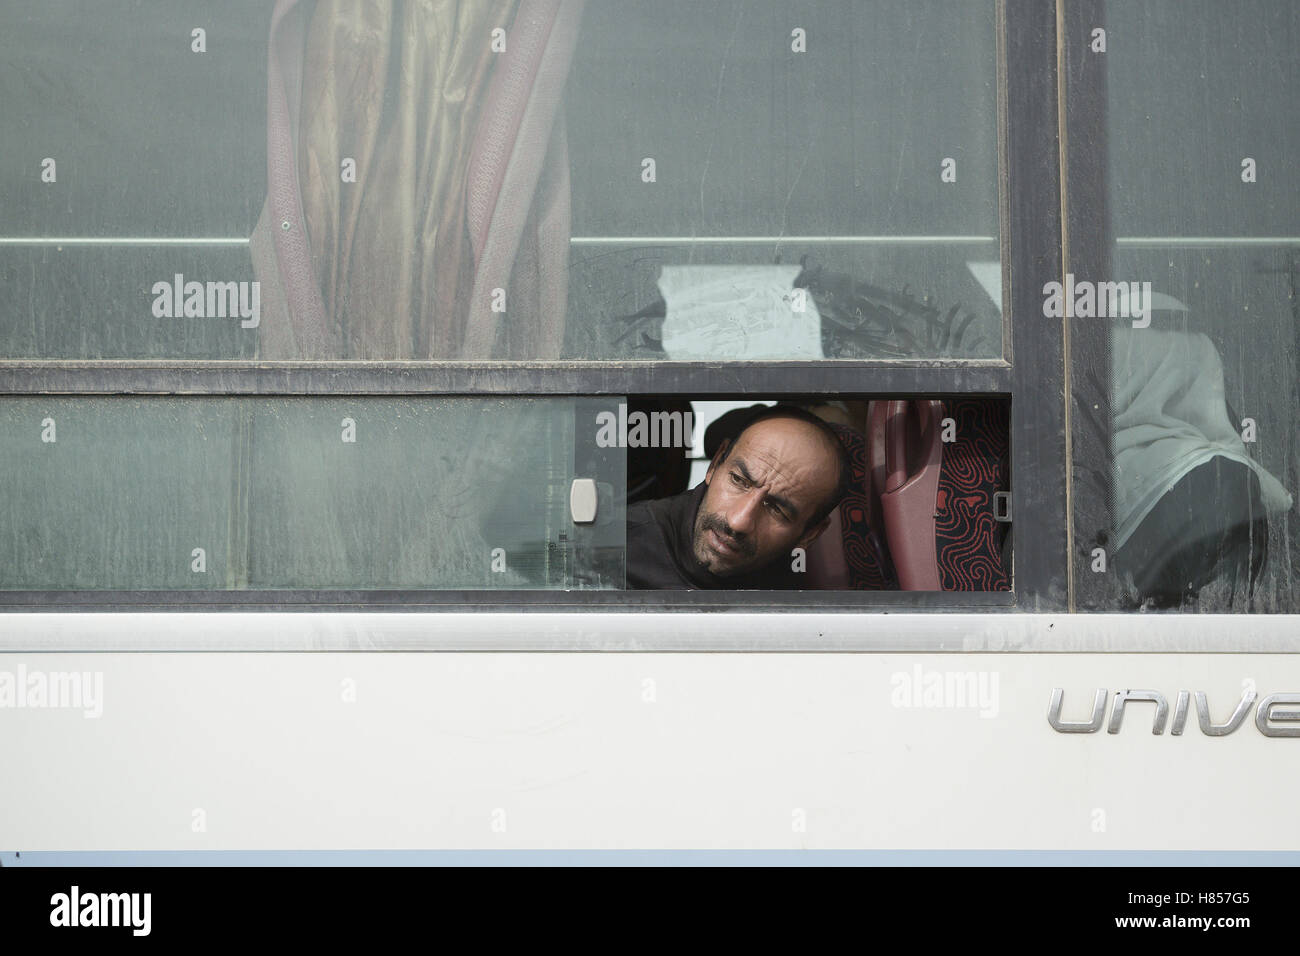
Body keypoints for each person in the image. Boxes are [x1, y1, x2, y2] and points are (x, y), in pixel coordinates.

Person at [626, 406, 851, 589]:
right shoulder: (617, 552)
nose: (739, 522)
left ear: (810, 534)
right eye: (739, 481)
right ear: (714, 465)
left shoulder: (798, 592)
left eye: (777, 510)